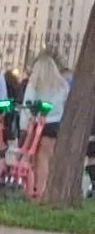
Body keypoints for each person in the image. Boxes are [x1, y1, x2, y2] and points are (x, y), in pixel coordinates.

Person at [22, 51, 69, 200]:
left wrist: (24, 124)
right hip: (54, 123)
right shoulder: (61, 83)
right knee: (45, 158)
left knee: (31, 157)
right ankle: (42, 190)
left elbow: (28, 103)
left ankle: (31, 188)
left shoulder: (35, 82)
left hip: (36, 123)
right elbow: (64, 102)